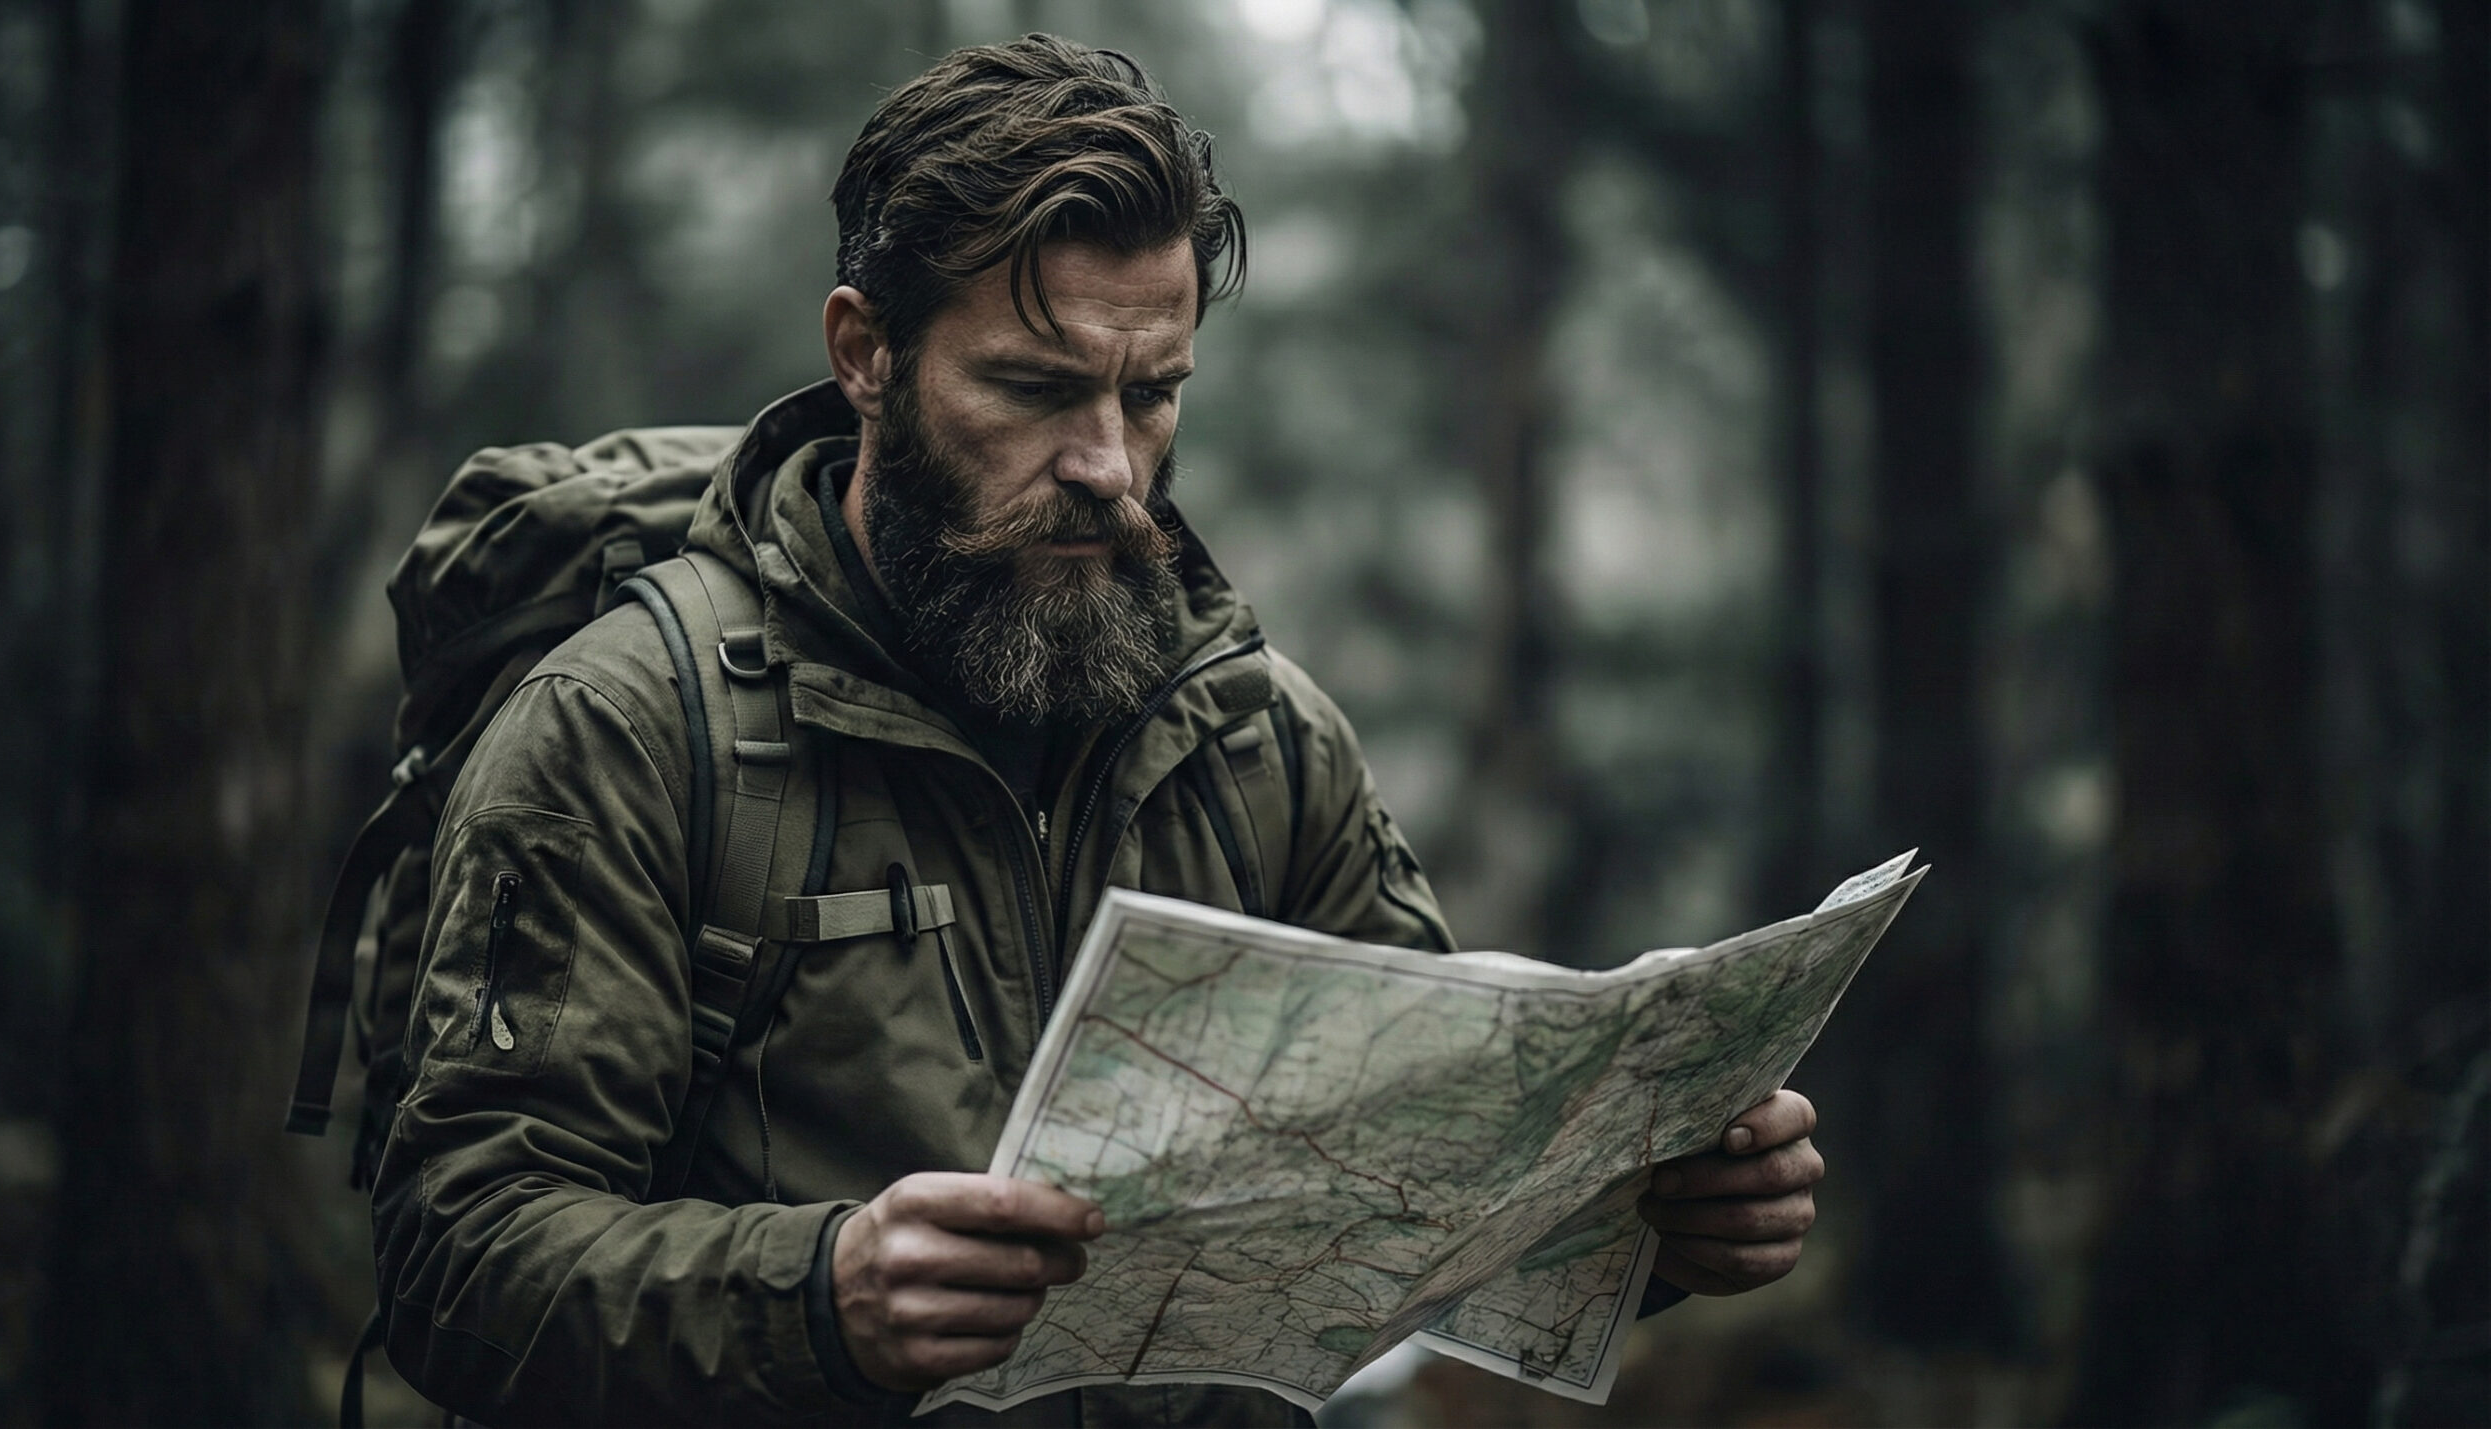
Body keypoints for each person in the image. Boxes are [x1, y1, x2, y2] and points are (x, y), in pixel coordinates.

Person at [373, 34, 1826, 1427]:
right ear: (866, 353)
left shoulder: (1263, 743)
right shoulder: (629, 732)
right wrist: (818, 1298)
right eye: (1035, 387)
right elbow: (458, 1259)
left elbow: (1428, 1207)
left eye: (1154, 393)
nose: (1108, 465)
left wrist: (1655, 1219)